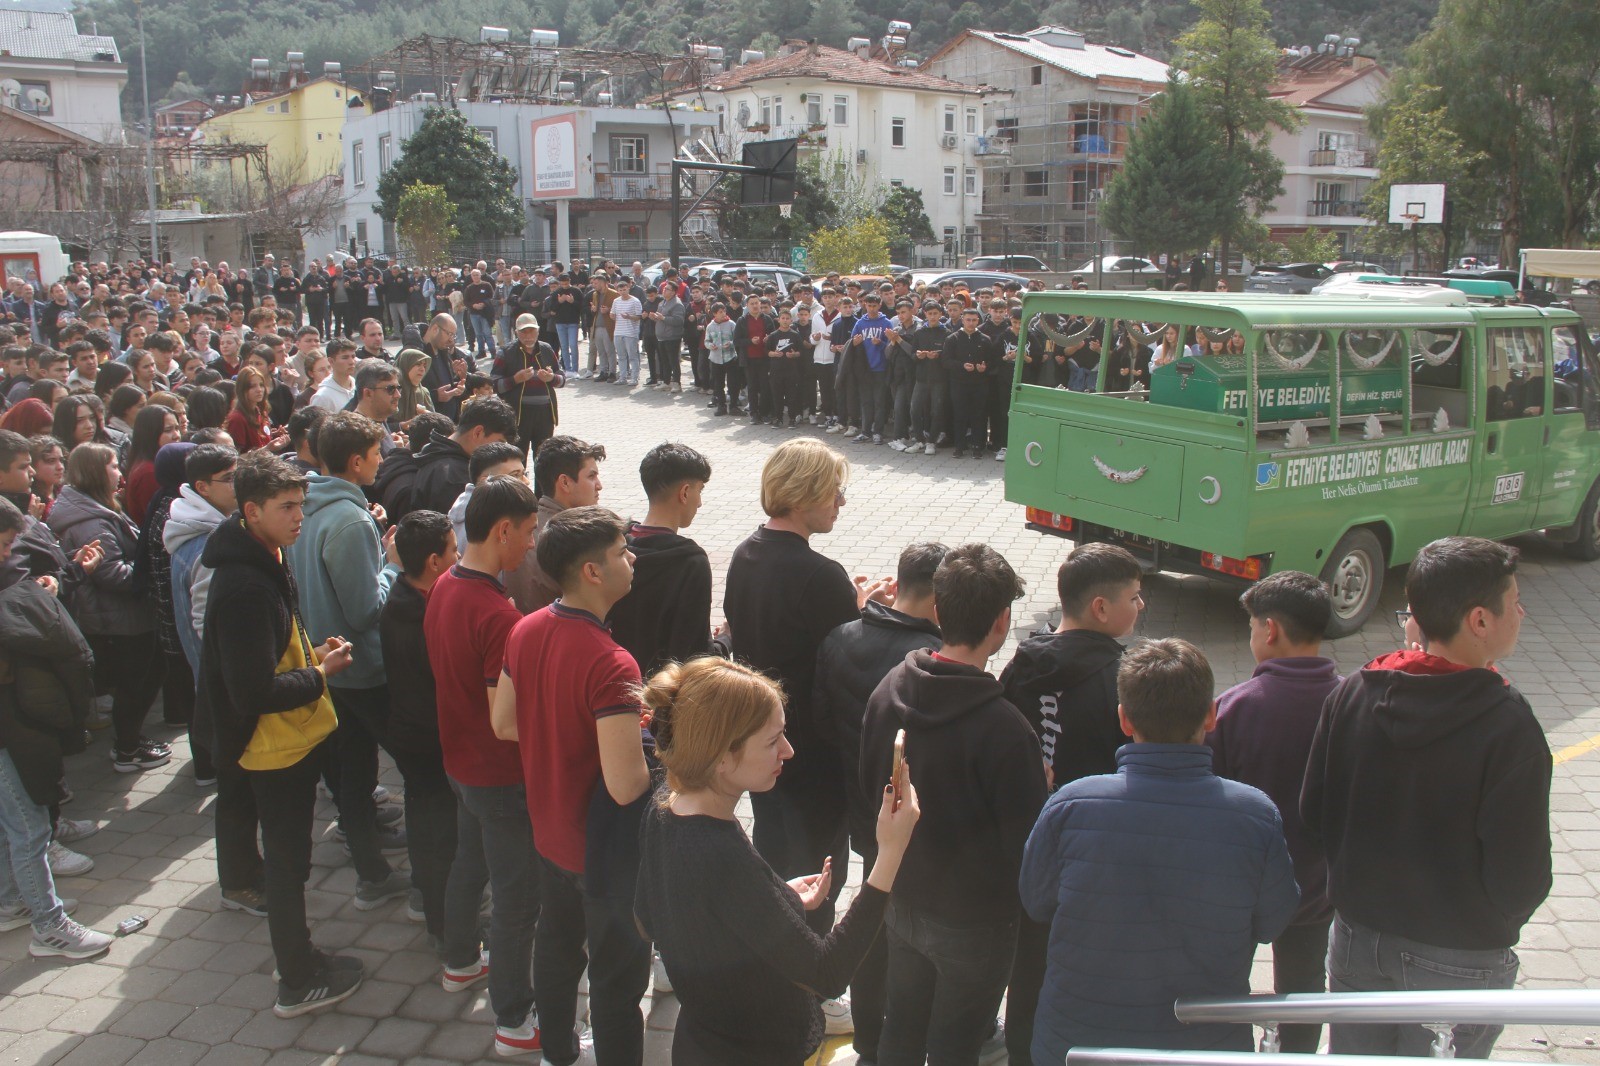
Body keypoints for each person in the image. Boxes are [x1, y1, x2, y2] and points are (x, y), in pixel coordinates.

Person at [1301, 537, 1552, 1059]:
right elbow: (1522, 872)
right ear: (1480, 620)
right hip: (1458, 955)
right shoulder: (1508, 725)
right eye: (1515, 600)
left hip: (1357, 941)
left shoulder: (1351, 693)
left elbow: (1313, 814)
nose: (1522, 611)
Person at [1021, 638, 1299, 1061]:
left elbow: (1036, 902)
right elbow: (1273, 922)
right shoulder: (1256, 816)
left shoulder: (1070, 805)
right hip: (1202, 1046)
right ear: (1211, 715)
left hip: (1077, 1045)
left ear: (1124, 719)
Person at [635, 657, 920, 1065]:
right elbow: (827, 973)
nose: (788, 750)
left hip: (697, 1041)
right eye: (772, 741)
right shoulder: (719, 852)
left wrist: (775, 902)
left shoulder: (664, 807)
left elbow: (649, 916)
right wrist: (889, 854)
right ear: (722, 757)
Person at [859, 544, 1048, 1065]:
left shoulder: (889, 689)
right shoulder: (1007, 730)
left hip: (900, 897)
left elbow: (868, 790)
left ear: (937, 609)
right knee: (956, 1044)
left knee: (901, 1026)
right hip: (975, 923)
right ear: (1003, 621)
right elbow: (1025, 849)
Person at [197, 450, 365, 1017]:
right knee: (288, 866)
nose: (299, 516)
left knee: (290, 863)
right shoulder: (246, 584)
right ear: (251, 510)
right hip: (273, 746)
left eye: (301, 504)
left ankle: (294, 953)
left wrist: (309, 655)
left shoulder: (265, 553)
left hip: (283, 738)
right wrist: (320, 673)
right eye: (287, 507)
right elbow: (254, 692)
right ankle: (297, 977)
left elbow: (266, 661)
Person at [723, 437, 883, 1034]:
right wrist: (863, 609)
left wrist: (853, 602)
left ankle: (766, 965)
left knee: (772, 856)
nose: (841, 502)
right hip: (811, 752)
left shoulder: (745, 552)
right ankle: (811, 990)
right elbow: (843, 659)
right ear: (807, 493)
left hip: (759, 743)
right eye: (834, 491)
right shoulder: (820, 573)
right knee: (822, 870)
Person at [492, 506, 652, 1066]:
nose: (631, 560)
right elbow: (627, 784)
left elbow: (504, 722)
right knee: (617, 980)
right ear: (591, 571)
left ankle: (557, 1053)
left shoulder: (526, 626)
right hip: (603, 854)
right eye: (620, 552)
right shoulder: (614, 665)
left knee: (557, 954)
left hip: (548, 833)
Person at [998, 541, 1144, 1063]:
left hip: (1027, 847)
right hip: (1094, 855)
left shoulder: (1021, 664)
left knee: (1029, 969)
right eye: (1134, 596)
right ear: (1101, 608)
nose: (1141, 606)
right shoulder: (1123, 679)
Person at [813, 541, 945, 1062]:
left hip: (860, 806)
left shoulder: (841, 636)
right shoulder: (932, 660)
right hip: (912, 821)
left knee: (870, 915)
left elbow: (824, 724)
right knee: (910, 931)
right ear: (941, 597)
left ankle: (868, 1039)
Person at [426, 477, 543, 1057]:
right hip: (499, 773)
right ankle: (514, 1018)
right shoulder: (499, 614)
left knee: (469, 865)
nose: (531, 545)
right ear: (501, 531)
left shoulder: (444, 586)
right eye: (527, 533)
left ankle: (459, 960)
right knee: (518, 899)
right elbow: (506, 720)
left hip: (460, 762)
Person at [1207, 570, 1341, 1054]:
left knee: (1222, 987)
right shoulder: (1349, 704)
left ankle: (1224, 1051)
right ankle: (1299, 1055)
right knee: (1304, 988)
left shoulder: (1234, 708)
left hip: (1240, 890)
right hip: (1317, 890)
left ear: (1269, 630)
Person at [283, 412, 411, 910]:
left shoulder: (304, 507)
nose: (383, 460)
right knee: (414, 767)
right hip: (362, 668)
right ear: (357, 461)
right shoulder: (350, 519)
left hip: (324, 664)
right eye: (378, 453)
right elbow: (365, 609)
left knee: (352, 776)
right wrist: (392, 566)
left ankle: (370, 873)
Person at [48, 443, 168, 773]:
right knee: (134, 685)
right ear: (96, 472)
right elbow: (109, 572)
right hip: (118, 619)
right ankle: (127, 749)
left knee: (145, 678)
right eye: (114, 466)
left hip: (124, 615)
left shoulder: (97, 507)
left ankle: (130, 740)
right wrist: (148, 572)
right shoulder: (89, 521)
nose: (120, 471)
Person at [377, 510, 459, 950]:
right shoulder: (419, 615)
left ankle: (428, 902)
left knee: (427, 827)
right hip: (427, 740)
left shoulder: (406, 598)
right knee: (438, 835)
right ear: (433, 562)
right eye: (453, 549)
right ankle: (445, 926)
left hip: (412, 735)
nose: (459, 554)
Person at [608, 443, 716, 679]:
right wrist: (724, 642)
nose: (699, 503)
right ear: (685, 492)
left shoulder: (615, 547)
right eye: (700, 490)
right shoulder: (691, 562)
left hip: (613, 681)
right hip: (662, 697)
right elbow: (693, 653)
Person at [491, 315, 562, 463]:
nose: (528, 336)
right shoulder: (505, 352)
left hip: (545, 414)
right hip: (518, 415)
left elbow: (561, 378)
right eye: (524, 332)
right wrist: (515, 379)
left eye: (532, 331)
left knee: (543, 460)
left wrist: (551, 378)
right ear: (516, 332)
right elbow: (494, 384)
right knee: (516, 459)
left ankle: (542, 487)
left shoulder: (546, 349)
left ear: (538, 331)